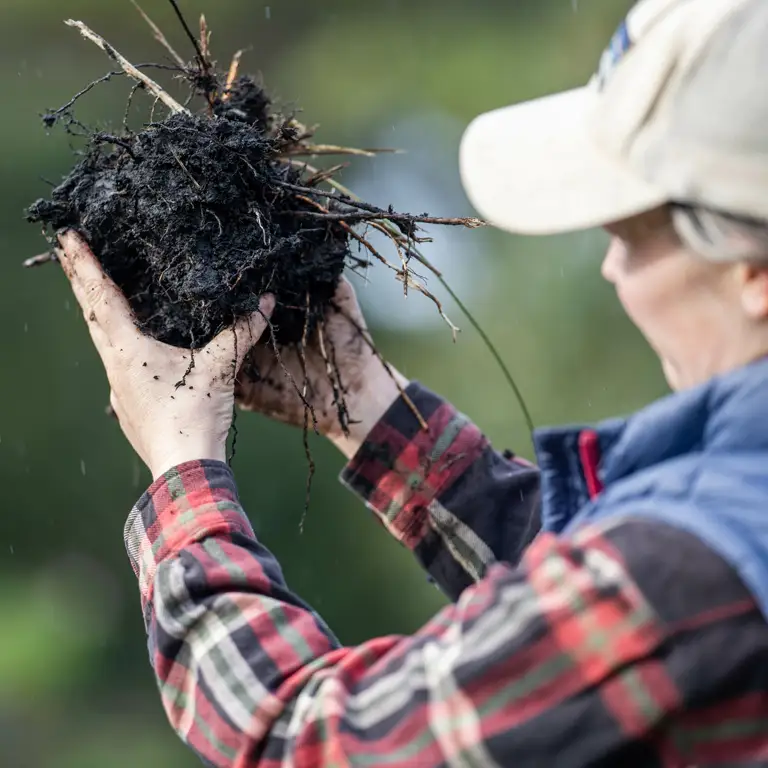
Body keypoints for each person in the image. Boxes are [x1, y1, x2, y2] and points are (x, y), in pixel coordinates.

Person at [55, 0, 768, 765]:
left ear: (753, 274)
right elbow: (579, 606)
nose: (611, 267)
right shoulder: (716, 530)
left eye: (630, 233)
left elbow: (317, 741)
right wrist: (365, 405)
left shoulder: (687, 576)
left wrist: (180, 467)